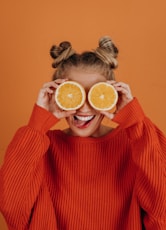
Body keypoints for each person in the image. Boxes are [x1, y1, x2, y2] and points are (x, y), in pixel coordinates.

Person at [0, 36, 166, 230]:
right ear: (56, 94)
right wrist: (37, 123)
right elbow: (12, 209)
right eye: (73, 93)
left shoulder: (138, 142)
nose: (84, 108)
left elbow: (161, 212)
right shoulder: (40, 147)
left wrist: (135, 122)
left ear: (112, 95)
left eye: (95, 93)